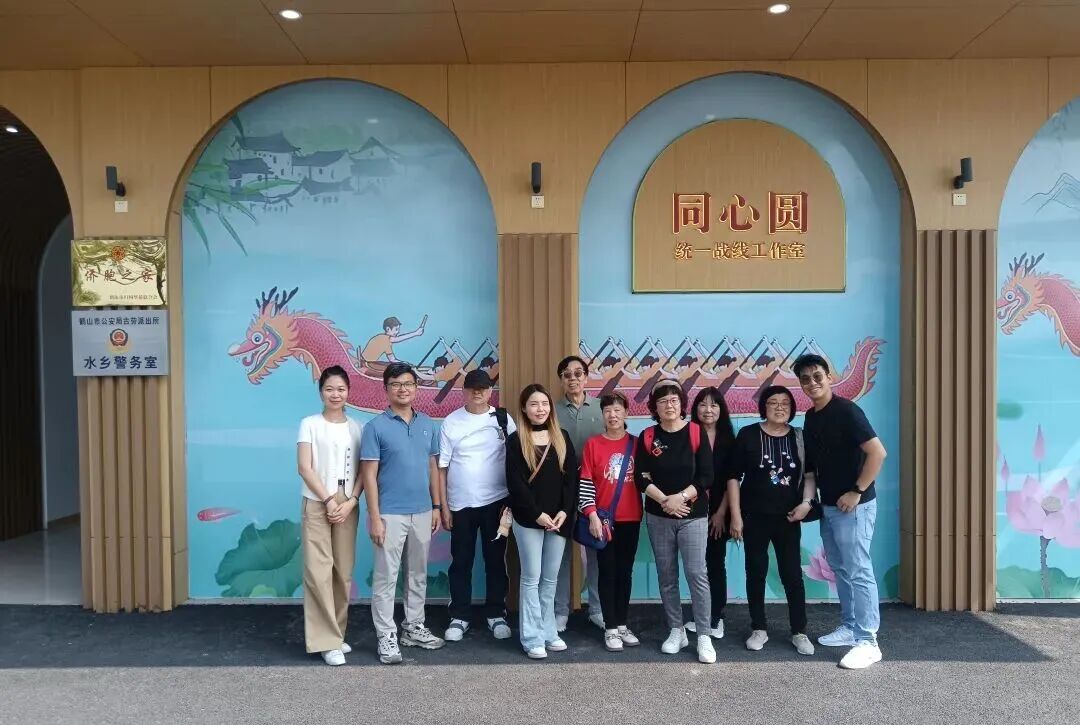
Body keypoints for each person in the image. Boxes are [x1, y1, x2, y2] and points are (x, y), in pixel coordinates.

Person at [794, 353, 888, 670]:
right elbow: (812, 470)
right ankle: (850, 626)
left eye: (817, 376)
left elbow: (877, 453)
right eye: (805, 379)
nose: (812, 383)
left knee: (859, 569)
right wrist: (810, 501)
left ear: (829, 376)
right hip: (829, 505)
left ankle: (868, 641)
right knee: (840, 568)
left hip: (855, 506)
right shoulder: (811, 417)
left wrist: (857, 491)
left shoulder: (847, 411)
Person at [361, 361, 445, 664]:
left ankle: (413, 627)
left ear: (416, 388)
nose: (402, 389)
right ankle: (386, 636)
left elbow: (432, 467)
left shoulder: (428, 425)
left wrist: (436, 506)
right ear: (386, 389)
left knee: (417, 574)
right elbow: (369, 475)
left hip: (422, 511)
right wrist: (375, 516)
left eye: (408, 383)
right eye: (396, 384)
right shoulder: (375, 427)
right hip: (389, 514)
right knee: (386, 578)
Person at [726, 385, 816, 657]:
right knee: (756, 571)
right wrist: (736, 516)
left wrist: (806, 504)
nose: (779, 407)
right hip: (754, 517)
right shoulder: (748, 434)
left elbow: (809, 476)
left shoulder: (800, 437)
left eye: (785, 403)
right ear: (763, 407)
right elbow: (733, 477)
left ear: (792, 408)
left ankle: (799, 631)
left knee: (792, 574)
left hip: (789, 518)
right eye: (773, 402)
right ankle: (759, 628)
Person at [634, 380, 716, 664]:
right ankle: (676, 630)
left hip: (693, 516)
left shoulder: (695, 432)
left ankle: (703, 635)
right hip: (658, 516)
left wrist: (680, 498)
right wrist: (665, 501)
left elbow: (706, 476)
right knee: (667, 575)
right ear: (654, 407)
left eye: (673, 400)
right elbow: (640, 477)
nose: (669, 405)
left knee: (697, 574)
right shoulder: (648, 436)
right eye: (662, 401)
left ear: (682, 404)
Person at [438, 369, 514, 643]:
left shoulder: (503, 419)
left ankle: (496, 614)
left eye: (483, 387)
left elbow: (517, 459)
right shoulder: (451, 422)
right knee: (461, 561)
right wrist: (444, 507)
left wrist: (513, 503)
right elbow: (442, 467)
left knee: (495, 561)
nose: (478, 392)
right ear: (464, 391)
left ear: (491, 391)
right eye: (472, 387)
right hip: (460, 505)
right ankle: (459, 616)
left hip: (497, 503)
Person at [297, 365, 364, 666]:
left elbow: (365, 470)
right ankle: (325, 641)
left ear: (348, 392)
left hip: (347, 503)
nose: (335, 394)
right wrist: (327, 499)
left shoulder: (358, 427)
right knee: (318, 571)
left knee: (343, 571)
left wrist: (351, 501)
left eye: (341, 389)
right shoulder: (309, 424)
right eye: (329, 389)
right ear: (320, 392)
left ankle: (336, 633)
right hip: (317, 501)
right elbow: (304, 467)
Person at [506, 383, 578, 659]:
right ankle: (531, 637)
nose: (540, 409)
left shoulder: (562, 436)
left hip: (558, 520)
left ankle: (549, 631)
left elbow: (570, 479)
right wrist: (537, 513)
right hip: (529, 519)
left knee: (550, 579)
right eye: (534, 404)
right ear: (524, 408)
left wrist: (565, 511)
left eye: (545, 404)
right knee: (531, 577)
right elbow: (515, 483)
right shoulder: (516, 440)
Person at [577, 391, 643, 652]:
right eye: (607, 411)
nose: (612, 415)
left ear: (626, 412)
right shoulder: (593, 445)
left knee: (625, 573)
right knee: (606, 572)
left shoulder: (637, 444)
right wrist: (591, 514)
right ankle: (611, 628)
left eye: (617, 410)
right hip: (603, 521)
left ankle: (623, 624)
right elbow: (585, 482)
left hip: (632, 518)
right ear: (602, 415)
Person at [553, 355, 606, 632]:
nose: (572, 379)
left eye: (577, 374)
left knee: (595, 549)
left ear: (586, 377)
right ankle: (560, 610)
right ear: (561, 380)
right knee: (560, 552)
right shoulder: (551, 410)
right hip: (561, 490)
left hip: (593, 490)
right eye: (566, 374)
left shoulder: (601, 407)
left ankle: (596, 609)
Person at [684, 386, 736, 640]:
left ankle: (717, 617)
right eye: (703, 404)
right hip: (691, 509)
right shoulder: (687, 435)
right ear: (695, 409)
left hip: (718, 511)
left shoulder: (728, 440)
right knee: (697, 566)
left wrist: (720, 513)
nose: (708, 410)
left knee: (715, 563)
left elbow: (731, 479)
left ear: (721, 409)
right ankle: (702, 615)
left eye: (714, 405)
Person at [360, 314, 427, 363]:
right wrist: (415, 333)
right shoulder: (384, 339)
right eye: (396, 329)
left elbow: (392, 359)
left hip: (367, 362)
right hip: (365, 363)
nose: (398, 332)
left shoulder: (385, 341)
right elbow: (397, 339)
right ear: (388, 329)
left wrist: (403, 363)